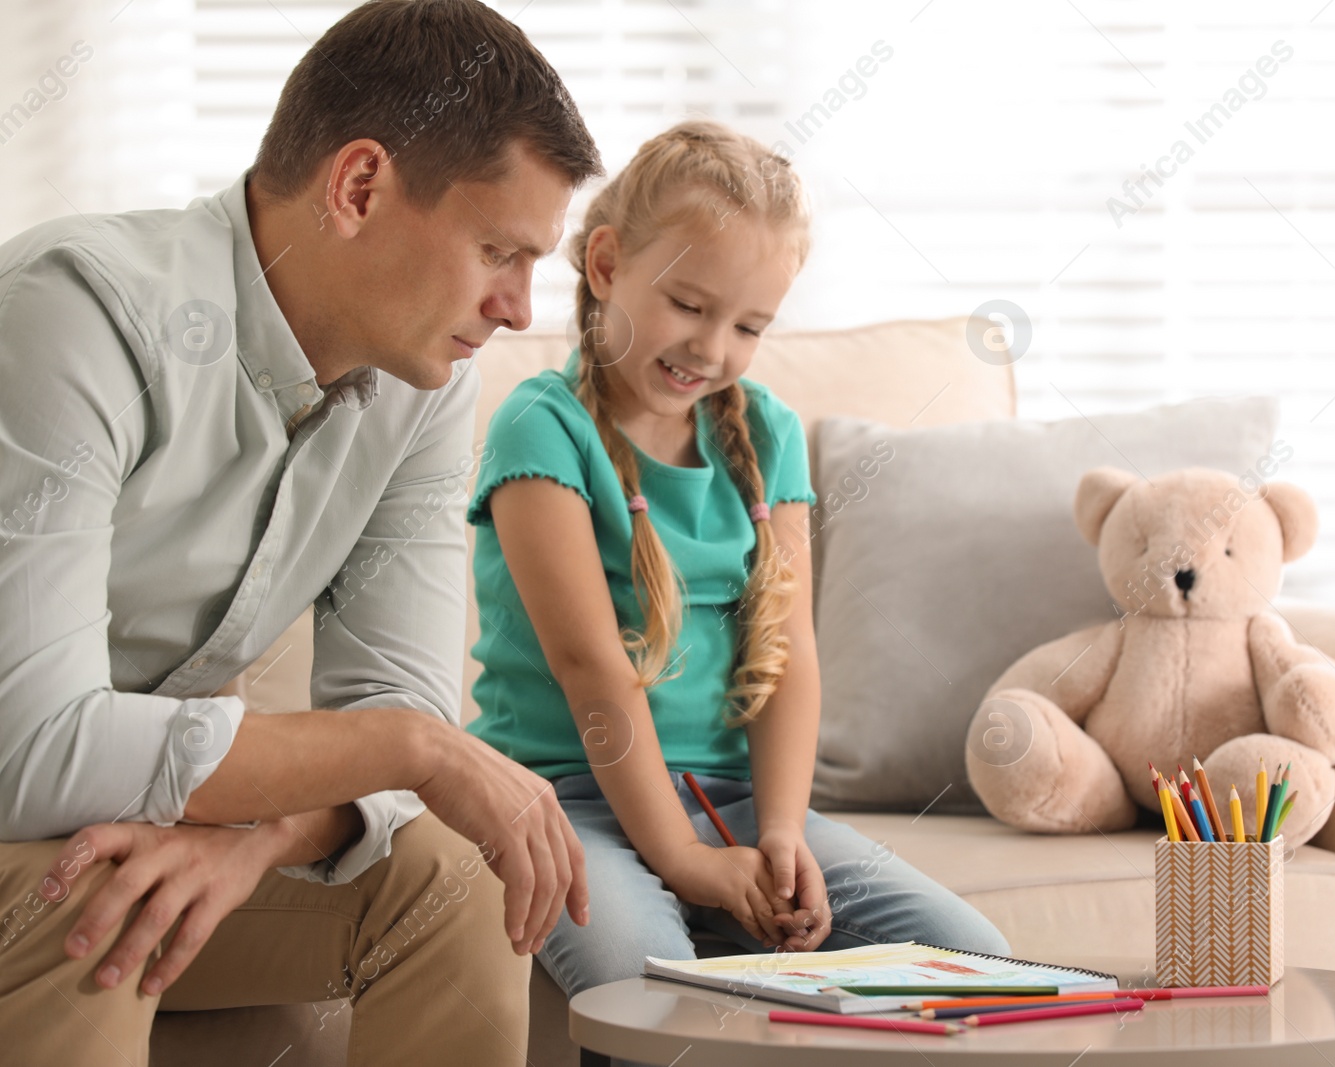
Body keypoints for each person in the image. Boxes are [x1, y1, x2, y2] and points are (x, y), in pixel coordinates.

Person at [0, 3, 599, 1063]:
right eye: (497, 249)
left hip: (127, 821)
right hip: (27, 826)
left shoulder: (422, 377)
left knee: (456, 874)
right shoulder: (74, 317)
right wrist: (416, 750)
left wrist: (262, 833)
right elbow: (30, 751)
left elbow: (396, 701)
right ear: (358, 187)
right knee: (94, 892)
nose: (517, 306)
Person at [467, 120, 1013, 1020]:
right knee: (639, 986)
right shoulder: (540, 428)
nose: (713, 349)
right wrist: (683, 862)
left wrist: (782, 833)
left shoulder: (769, 434)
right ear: (605, 265)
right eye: (689, 304)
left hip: (733, 801)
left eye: (750, 324)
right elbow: (592, 667)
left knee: (975, 962)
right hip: (563, 800)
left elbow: (789, 652)